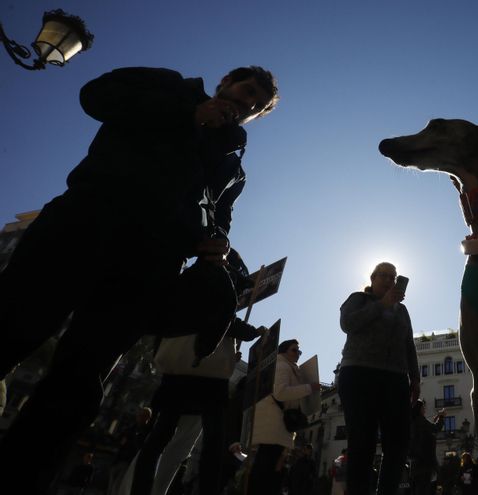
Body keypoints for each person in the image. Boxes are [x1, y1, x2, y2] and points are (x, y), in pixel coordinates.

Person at [0, 65, 279, 491]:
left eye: (256, 106)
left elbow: (220, 214)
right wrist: (185, 115)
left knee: (80, 381)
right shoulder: (169, 85)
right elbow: (96, 95)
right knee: (13, 327)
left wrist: (216, 242)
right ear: (225, 81)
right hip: (84, 223)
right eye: (246, 92)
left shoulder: (234, 165)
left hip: (149, 264)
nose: (246, 104)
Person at [130, 250, 265, 495]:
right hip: (208, 379)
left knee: (160, 436)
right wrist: (255, 332)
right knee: (213, 441)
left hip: (176, 370)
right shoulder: (219, 288)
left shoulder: (185, 283)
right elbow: (226, 321)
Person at [338, 262, 420, 495]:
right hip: (359, 374)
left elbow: (408, 344)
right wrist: (382, 305)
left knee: (398, 444)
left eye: (392, 277)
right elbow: (347, 323)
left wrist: (414, 377)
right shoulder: (358, 299)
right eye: (383, 275)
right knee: (361, 442)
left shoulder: (402, 310)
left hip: (395, 379)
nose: (388, 280)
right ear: (372, 279)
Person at [248, 339, 320, 495]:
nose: (298, 354)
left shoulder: (286, 367)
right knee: (267, 470)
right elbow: (280, 392)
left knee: (268, 470)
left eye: (299, 351)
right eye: (294, 350)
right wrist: (309, 388)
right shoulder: (282, 366)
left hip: (275, 426)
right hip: (273, 425)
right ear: (283, 351)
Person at [107, 407, 153, 495]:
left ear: (148, 418)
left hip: (129, 463)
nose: (140, 417)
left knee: (117, 488)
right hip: (118, 460)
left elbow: (140, 447)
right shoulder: (131, 428)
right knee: (111, 487)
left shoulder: (147, 432)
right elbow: (119, 441)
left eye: (143, 415)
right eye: (139, 415)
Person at [409, 400, 445, 495]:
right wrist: (441, 417)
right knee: (425, 490)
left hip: (415, 465)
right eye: (423, 407)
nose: (424, 409)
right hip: (425, 463)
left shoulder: (412, 422)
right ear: (419, 409)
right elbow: (436, 429)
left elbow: (427, 432)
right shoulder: (420, 420)